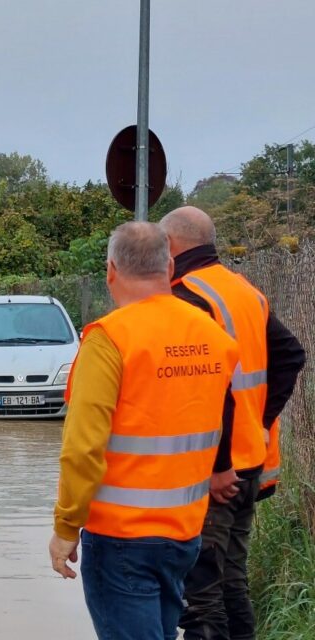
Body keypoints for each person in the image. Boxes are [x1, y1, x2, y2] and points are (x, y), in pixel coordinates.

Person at [50, 222, 240, 640]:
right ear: (170, 266)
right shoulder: (214, 335)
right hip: (185, 533)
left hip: (122, 538)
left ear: (111, 270)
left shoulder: (110, 340)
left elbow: (83, 448)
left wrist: (66, 528)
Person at [158, 206, 305, 640]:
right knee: (231, 581)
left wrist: (218, 464)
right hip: (249, 462)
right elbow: (292, 355)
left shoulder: (188, 296)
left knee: (201, 596)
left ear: (170, 247)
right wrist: (261, 421)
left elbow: (213, 386)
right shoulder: (244, 290)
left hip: (215, 471)